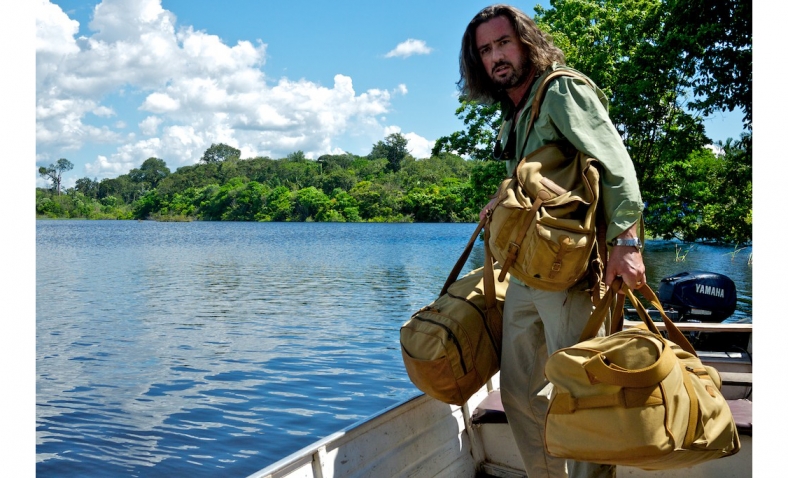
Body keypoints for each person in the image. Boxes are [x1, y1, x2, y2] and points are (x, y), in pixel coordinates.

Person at [458, 4, 647, 478]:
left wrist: (626, 244)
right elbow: (541, 186)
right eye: (485, 50)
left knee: (583, 394)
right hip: (527, 272)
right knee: (520, 393)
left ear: (526, 42)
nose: (496, 56)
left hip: (574, 272)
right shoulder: (515, 113)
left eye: (503, 43)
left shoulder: (562, 90)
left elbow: (614, 164)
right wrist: (500, 205)